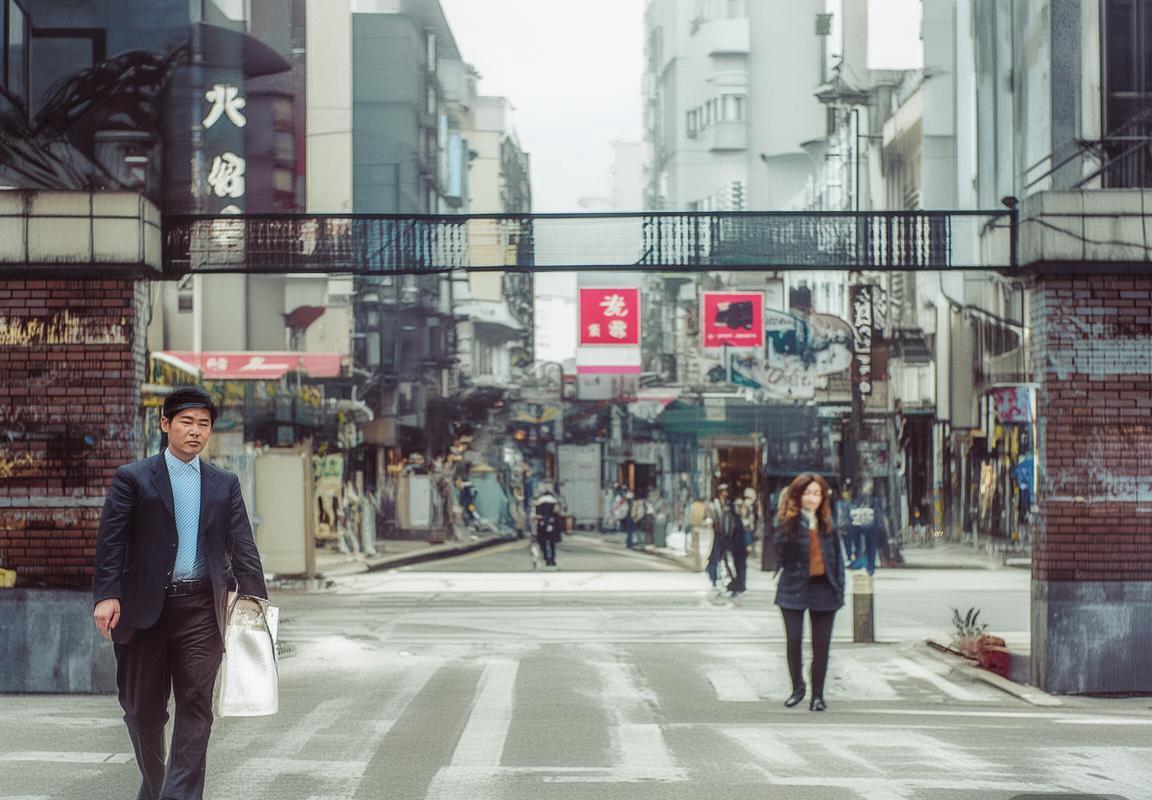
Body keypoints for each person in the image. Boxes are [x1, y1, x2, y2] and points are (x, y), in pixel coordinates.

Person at [92, 387, 267, 800]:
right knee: (141, 712)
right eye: (186, 422)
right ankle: (158, 788)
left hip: (201, 611)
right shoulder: (133, 478)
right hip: (143, 612)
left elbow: (243, 546)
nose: (195, 431)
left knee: (196, 707)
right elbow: (111, 542)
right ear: (165, 424)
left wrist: (256, 604)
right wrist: (106, 594)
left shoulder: (224, 484)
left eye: (203, 424)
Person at [772, 472, 845, 712]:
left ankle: (818, 696)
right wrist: (790, 518)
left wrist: (839, 590)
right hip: (793, 587)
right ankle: (797, 688)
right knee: (793, 641)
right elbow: (779, 551)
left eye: (817, 493)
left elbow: (837, 559)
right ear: (798, 495)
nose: (812, 498)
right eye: (807, 493)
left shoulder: (827, 522)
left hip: (824, 588)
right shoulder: (787, 522)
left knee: (821, 646)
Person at [707, 483, 746, 599]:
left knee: (725, 559)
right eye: (724, 491)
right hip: (718, 535)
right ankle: (716, 579)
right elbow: (715, 518)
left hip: (726, 536)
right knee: (717, 558)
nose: (726, 493)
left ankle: (728, 581)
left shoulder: (727, 504)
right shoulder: (715, 504)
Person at [533, 484, 564, 568]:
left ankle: (546, 558)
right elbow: (557, 512)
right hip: (552, 523)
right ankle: (552, 560)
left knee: (542, 541)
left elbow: (536, 515)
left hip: (542, 523)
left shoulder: (539, 501)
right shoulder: (554, 501)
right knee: (552, 542)